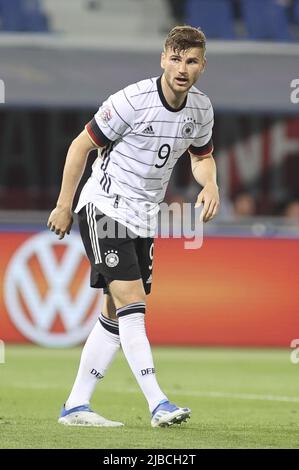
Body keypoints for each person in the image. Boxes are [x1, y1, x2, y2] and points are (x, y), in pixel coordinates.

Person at [47, 25, 219, 428]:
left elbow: (201, 155)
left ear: (202, 66)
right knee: (132, 303)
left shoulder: (201, 109)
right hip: (104, 206)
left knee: (115, 311)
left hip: (145, 217)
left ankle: (76, 405)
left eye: (191, 60)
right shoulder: (132, 100)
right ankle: (158, 402)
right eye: (175, 58)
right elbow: (80, 146)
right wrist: (63, 205)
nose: (182, 67)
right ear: (163, 59)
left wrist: (210, 182)